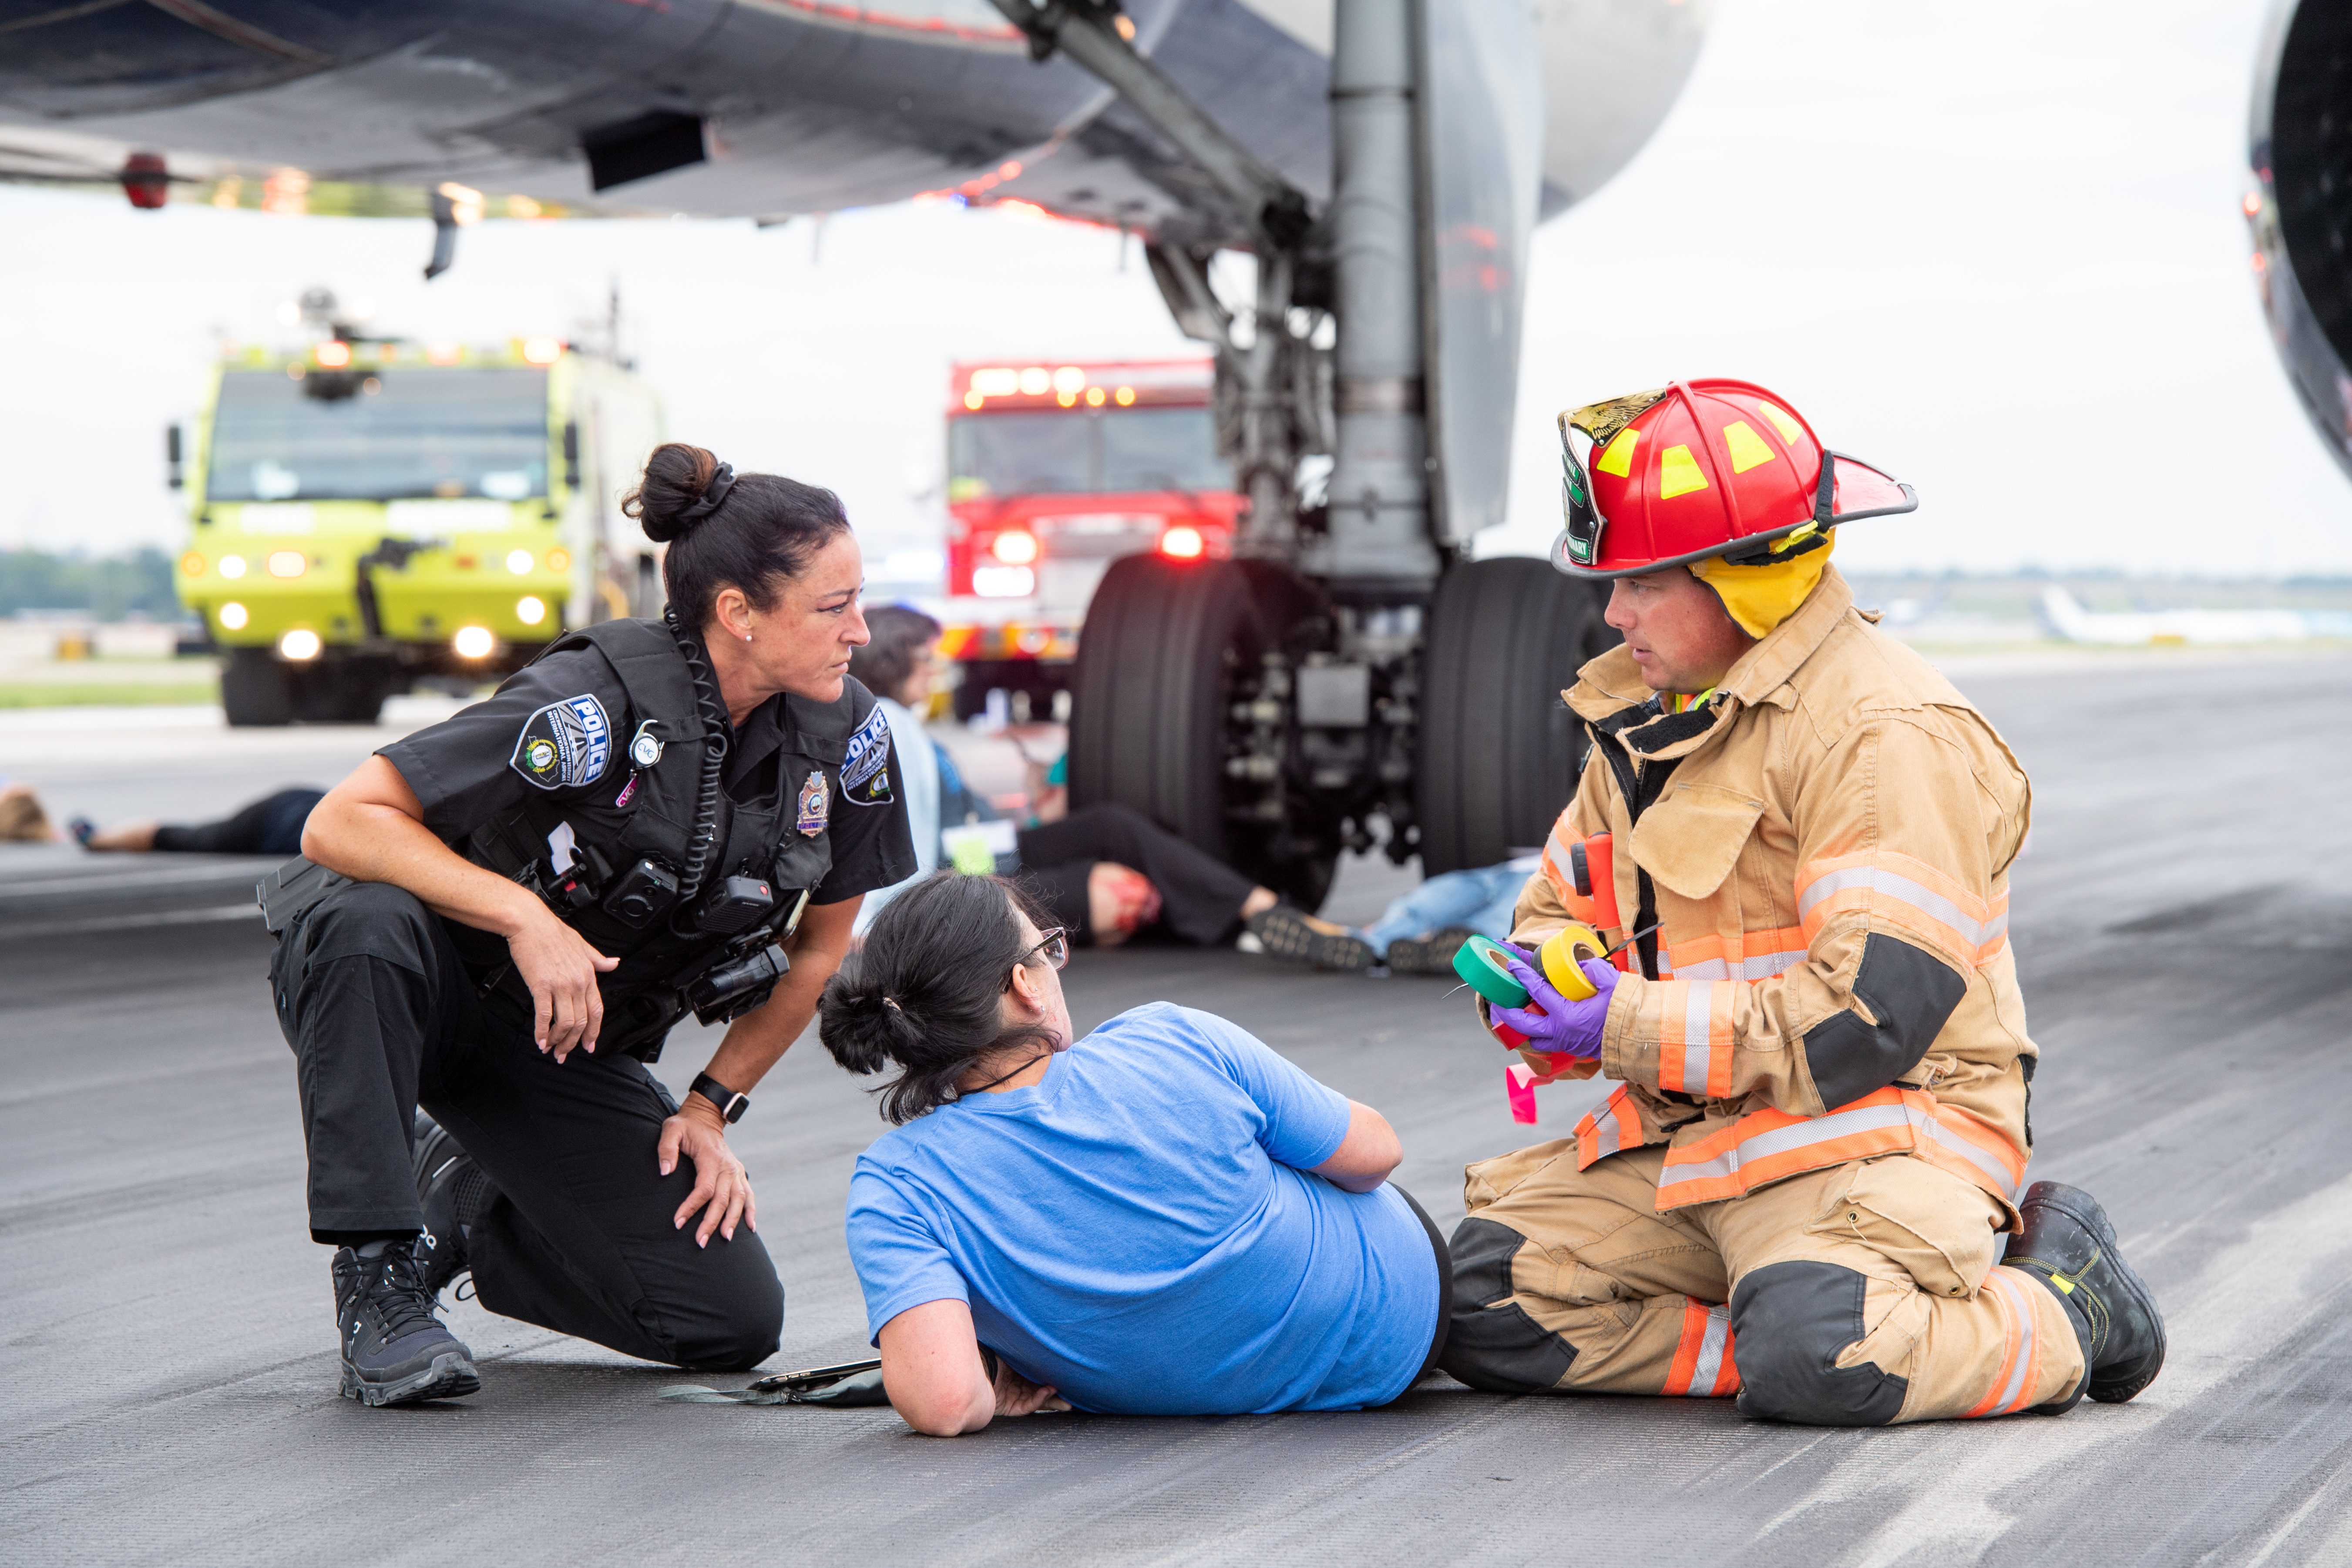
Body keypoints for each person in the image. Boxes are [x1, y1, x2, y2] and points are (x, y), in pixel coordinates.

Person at [1438, 380, 2164, 1424]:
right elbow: (1559, 909)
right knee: (1482, 1301)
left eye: (1641, 581)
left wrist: (1619, 1023)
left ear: (1746, 581)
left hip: (1881, 1133)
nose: (1613, 613)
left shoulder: (1884, 734)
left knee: (1822, 1353)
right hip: (1698, 1141)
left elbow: (1864, 1020)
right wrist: (1534, 993)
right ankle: (1795, 1316)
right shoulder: (1651, 723)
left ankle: (2064, 1302)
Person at [265, 442, 915, 1406]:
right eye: (833, 607)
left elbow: (819, 947)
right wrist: (521, 914)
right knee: (364, 918)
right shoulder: (595, 701)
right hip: (420, 987)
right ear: (737, 612)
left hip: (558, 1039)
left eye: (859, 601)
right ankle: (378, 1278)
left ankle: (467, 1202)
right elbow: (340, 821)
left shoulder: (847, 737)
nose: (860, 630)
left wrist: (708, 1107)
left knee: (728, 1320)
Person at [817, 872, 1447, 1433]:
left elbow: (948, 1402)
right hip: (1398, 1321)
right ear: (1023, 985)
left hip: (1191, 1412)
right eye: (1047, 950)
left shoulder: (897, 1183)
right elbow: (1374, 1155)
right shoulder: (1170, 1039)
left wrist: (996, 1366)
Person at [849, 605, 1377, 966]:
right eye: (927, 659)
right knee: (1120, 887)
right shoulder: (893, 724)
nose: (935, 671)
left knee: (1111, 826)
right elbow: (907, 838)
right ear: (896, 660)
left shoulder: (906, 724)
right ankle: (1260, 915)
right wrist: (884, 923)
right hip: (967, 873)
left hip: (984, 851)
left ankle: (1257, 913)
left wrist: (1029, 812)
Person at [71, 787, 324, 855]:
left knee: (186, 837)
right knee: (182, 839)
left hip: (301, 806)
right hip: (272, 820)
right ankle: (98, 838)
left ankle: (104, 834)